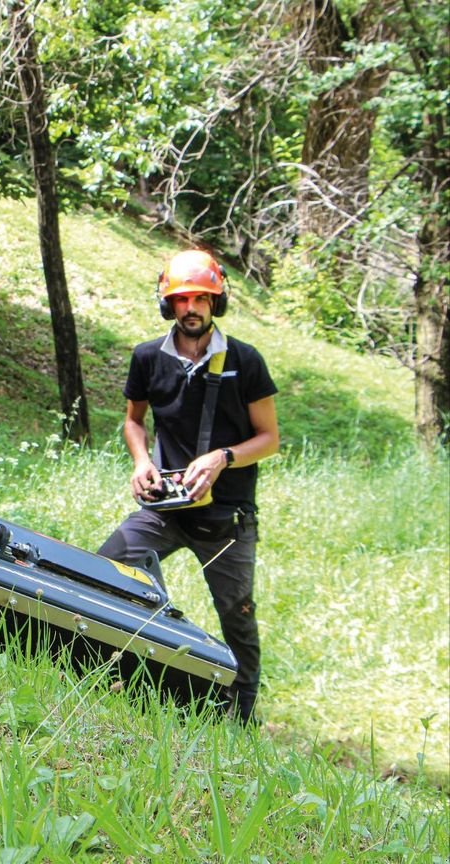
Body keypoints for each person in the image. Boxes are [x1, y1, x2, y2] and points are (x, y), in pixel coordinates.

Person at [98, 249, 280, 725]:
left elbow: (269, 438)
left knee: (237, 615)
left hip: (226, 517)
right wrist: (142, 461)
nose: (192, 308)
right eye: (182, 299)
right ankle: (139, 672)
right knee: (108, 568)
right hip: (166, 508)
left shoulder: (245, 360)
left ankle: (240, 716)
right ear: (168, 304)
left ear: (216, 302)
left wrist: (222, 458)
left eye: (201, 298)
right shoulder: (147, 358)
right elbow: (134, 421)